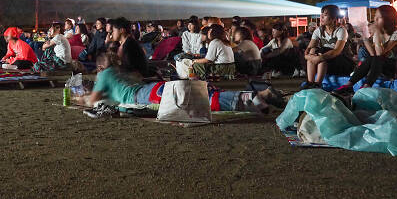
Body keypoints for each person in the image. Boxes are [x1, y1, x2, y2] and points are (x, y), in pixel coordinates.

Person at [74, 52, 283, 116]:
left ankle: (250, 99)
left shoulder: (104, 74)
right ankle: (263, 94)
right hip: (152, 88)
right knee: (199, 92)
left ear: (101, 67)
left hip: (144, 97)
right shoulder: (120, 72)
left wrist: (80, 98)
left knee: (195, 101)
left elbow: (91, 101)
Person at [335, 6, 397, 94]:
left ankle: (365, 86)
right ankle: (349, 85)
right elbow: (373, 55)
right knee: (372, 58)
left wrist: (377, 32)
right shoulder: (381, 32)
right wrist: (366, 37)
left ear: (388, 19)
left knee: (378, 58)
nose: (375, 19)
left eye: (379, 17)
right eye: (375, 16)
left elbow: (379, 54)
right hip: (393, 67)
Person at [302, 4, 354, 89]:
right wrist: (310, 56)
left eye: (325, 15)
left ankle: (317, 84)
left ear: (334, 18)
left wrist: (319, 58)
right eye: (321, 15)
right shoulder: (318, 30)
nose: (321, 17)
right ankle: (310, 83)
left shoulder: (341, 30)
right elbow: (308, 49)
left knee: (321, 55)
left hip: (342, 61)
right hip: (326, 60)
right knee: (313, 51)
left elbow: (336, 51)